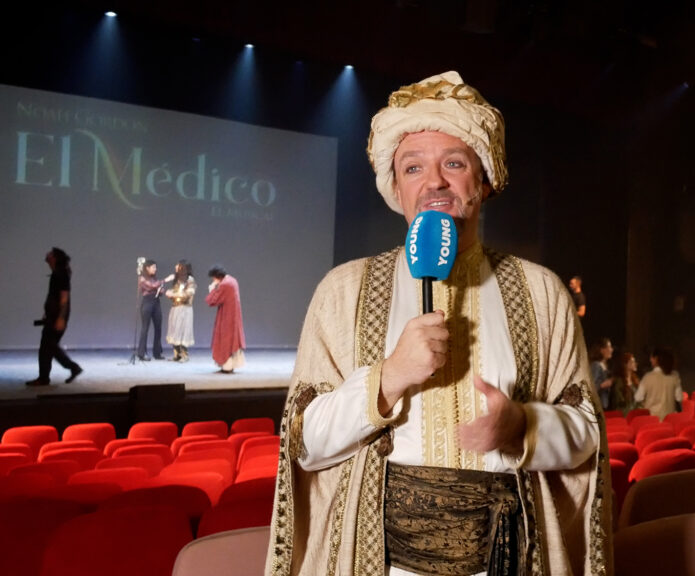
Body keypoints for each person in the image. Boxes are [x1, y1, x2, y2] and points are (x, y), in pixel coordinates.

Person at [265, 71, 611, 576]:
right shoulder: (343, 290)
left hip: (508, 558)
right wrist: (387, 378)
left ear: (486, 179)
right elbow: (304, 445)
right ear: (396, 188)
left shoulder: (542, 293)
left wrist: (521, 426)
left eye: (454, 163)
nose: (434, 182)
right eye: (412, 168)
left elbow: (586, 436)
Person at [27, 247, 83, 386]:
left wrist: (61, 318)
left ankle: (66, 369)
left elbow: (64, 298)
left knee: (48, 346)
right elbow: (55, 296)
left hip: (57, 317)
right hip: (53, 315)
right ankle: (48, 376)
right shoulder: (57, 273)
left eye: (50, 253)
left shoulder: (61, 274)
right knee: (49, 347)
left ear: (55, 258)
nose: (47, 254)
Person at [205, 265, 246, 373]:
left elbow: (212, 301)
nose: (213, 280)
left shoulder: (225, 284)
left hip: (227, 317)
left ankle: (227, 367)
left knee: (225, 340)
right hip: (232, 315)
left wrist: (212, 289)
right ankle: (228, 366)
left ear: (217, 276)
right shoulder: (232, 280)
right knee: (229, 340)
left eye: (213, 278)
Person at [635, 347, 683, 420]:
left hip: (652, 420)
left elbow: (638, 397)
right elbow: (679, 397)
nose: (650, 360)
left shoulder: (648, 377)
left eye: (651, 357)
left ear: (656, 359)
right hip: (670, 419)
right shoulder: (674, 376)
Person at [164, 260, 196, 362]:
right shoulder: (177, 280)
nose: (176, 269)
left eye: (178, 267)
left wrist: (174, 295)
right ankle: (177, 354)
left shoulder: (190, 281)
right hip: (175, 308)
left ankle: (184, 355)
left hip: (185, 309)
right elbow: (176, 291)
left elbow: (188, 294)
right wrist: (170, 293)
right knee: (175, 330)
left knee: (183, 330)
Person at [136, 259, 165, 361]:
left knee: (158, 327)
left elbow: (160, 290)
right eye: (153, 267)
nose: (155, 269)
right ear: (147, 268)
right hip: (147, 303)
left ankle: (157, 353)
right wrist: (164, 280)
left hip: (156, 303)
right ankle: (141, 353)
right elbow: (151, 286)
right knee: (145, 328)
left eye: (155, 267)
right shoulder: (142, 278)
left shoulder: (154, 278)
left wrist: (160, 289)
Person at [589, 337, 614, 411]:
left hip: (607, 405)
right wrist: (603, 385)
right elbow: (592, 388)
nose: (612, 350)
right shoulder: (596, 365)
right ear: (602, 350)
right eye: (609, 347)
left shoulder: (606, 365)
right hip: (600, 406)